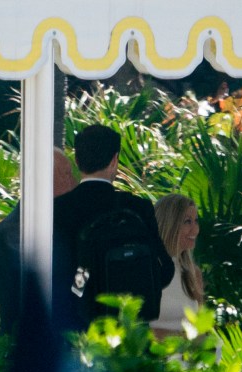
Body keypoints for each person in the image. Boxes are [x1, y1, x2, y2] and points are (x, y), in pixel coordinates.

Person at [52, 124, 174, 330]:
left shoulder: (60, 210)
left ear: (77, 160)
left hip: (83, 330)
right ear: (115, 160)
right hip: (130, 332)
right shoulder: (138, 207)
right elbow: (165, 270)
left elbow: (57, 274)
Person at [0, 148, 78, 335]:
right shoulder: (14, 233)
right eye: (67, 174)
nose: (74, 182)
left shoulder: (58, 224)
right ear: (47, 179)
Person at [149, 193, 204, 338]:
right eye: (187, 222)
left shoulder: (194, 274)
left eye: (196, 221)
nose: (195, 229)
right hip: (158, 359)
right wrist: (182, 339)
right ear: (170, 223)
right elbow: (136, 331)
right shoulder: (145, 269)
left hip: (192, 359)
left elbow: (201, 328)